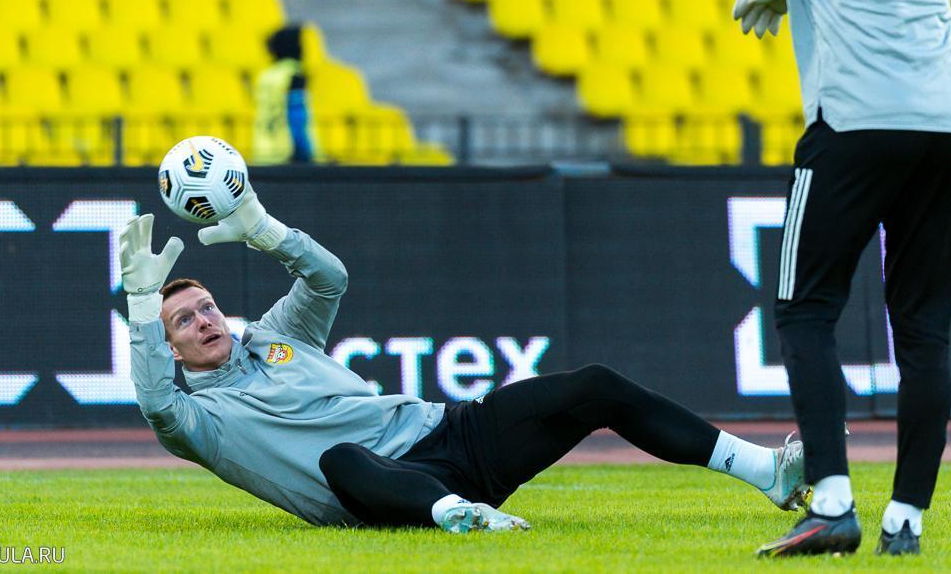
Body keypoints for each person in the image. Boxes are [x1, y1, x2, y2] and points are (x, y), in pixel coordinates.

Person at [625, 0, 951, 558]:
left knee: (805, 309)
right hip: (940, 123)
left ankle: (834, 501)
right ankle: (907, 520)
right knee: (923, 329)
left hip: (852, 121)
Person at [122, 192, 808, 532]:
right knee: (342, 458)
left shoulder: (278, 335)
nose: (204, 321)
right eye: (184, 321)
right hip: (380, 489)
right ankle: (460, 516)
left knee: (594, 386)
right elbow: (155, 402)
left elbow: (329, 279)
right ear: (171, 348)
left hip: (451, 433)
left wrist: (268, 232)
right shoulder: (198, 418)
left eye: (207, 307)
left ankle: (765, 471)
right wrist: (143, 304)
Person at [251, 25, 316, 165]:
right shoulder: (295, 76)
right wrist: (308, 156)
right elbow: (297, 120)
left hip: (263, 152)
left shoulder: (265, 76)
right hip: (290, 155)